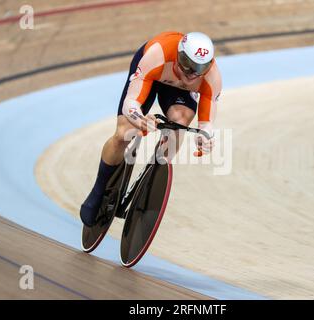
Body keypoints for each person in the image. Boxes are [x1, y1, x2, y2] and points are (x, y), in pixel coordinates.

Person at [80, 31, 222, 227]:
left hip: (175, 87)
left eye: (199, 69)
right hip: (153, 74)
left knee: (180, 122)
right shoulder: (157, 54)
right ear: (179, 55)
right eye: (188, 66)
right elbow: (130, 102)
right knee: (124, 133)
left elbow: (206, 124)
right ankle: (98, 189)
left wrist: (205, 138)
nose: (191, 74)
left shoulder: (212, 77)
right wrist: (139, 119)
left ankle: (150, 179)